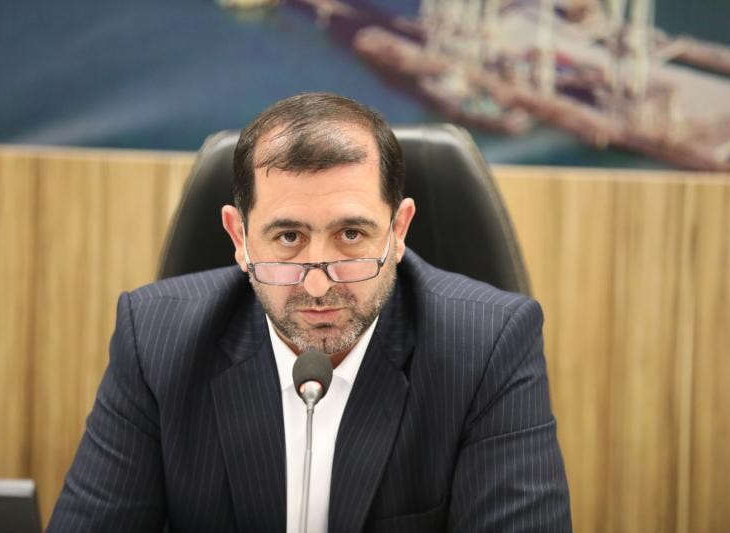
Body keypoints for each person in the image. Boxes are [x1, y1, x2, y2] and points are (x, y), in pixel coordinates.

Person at [48, 93, 571, 532]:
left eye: (351, 235)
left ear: (398, 231)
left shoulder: (489, 346)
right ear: (239, 237)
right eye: (288, 238)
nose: (319, 284)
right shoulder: (156, 339)